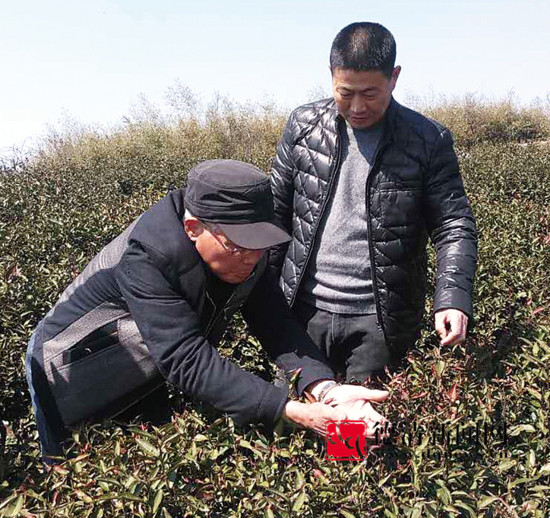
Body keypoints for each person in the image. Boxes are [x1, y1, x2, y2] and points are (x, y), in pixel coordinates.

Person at [26, 159, 388, 464]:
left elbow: (276, 325)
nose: (251, 258)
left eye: (260, 246)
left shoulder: (247, 249)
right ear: (192, 227)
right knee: (75, 471)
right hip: (74, 366)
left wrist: (324, 389)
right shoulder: (147, 257)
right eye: (238, 247)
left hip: (146, 362)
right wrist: (290, 412)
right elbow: (185, 358)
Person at [267, 22, 478, 408]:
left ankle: (347, 466)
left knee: (359, 436)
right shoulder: (303, 126)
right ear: (331, 78)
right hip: (303, 311)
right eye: (345, 93)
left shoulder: (427, 139)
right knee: (297, 428)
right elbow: (275, 214)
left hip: (380, 320)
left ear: (394, 78)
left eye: (370, 93)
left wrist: (453, 297)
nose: (358, 107)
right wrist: (261, 299)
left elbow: (453, 225)